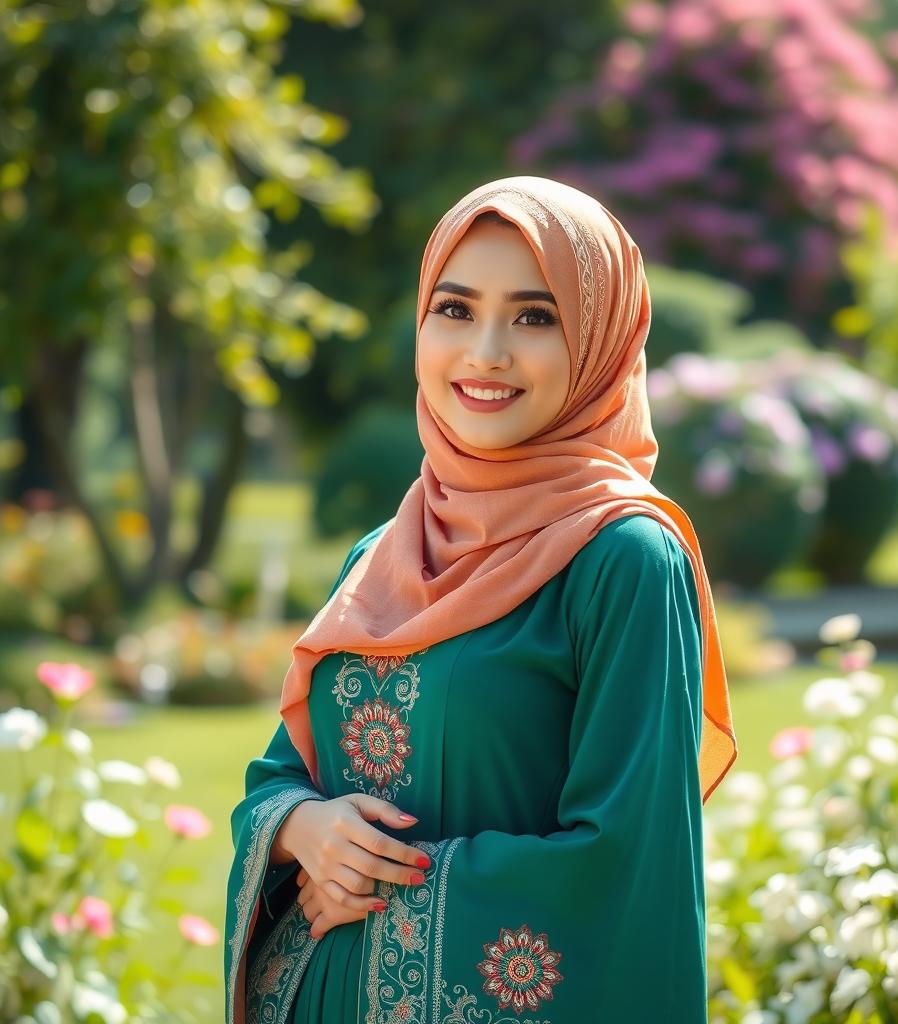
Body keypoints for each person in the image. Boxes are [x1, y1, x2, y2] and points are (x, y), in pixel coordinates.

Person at [224, 175, 739, 1024]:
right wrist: (298, 832)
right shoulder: (387, 549)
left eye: (536, 317)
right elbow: (286, 772)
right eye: (455, 310)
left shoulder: (625, 560)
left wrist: (387, 891)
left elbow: (626, 863)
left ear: (603, 342)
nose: (486, 351)